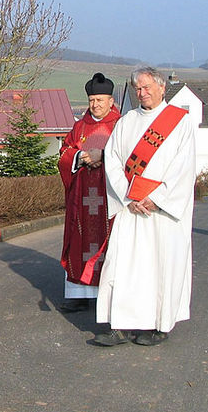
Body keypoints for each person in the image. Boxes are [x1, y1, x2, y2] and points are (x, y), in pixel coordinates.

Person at [94, 67, 197, 346]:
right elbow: (113, 161)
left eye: (148, 87)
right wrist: (129, 196)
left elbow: (184, 168)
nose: (143, 93)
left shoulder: (179, 123)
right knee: (124, 266)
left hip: (161, 212)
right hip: (131, 208)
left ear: (162, 88)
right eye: (138, 88)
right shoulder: (126, 122)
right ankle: (122, 325)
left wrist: (156, 198)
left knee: (160, 268)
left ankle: (159, 326)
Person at [57, 73, 120, 313]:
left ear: (111, 101)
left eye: (100, 100)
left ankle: (108, 293)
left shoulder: (121, 125)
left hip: (109, 197)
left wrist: (102, 157)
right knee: (79, 241)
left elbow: (127, 156)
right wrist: (78, 157)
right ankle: (79, 292)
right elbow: (64, 152)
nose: (95, 105)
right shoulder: (79, 126)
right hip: (81, 197)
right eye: (92, 100)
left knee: (110, 245)